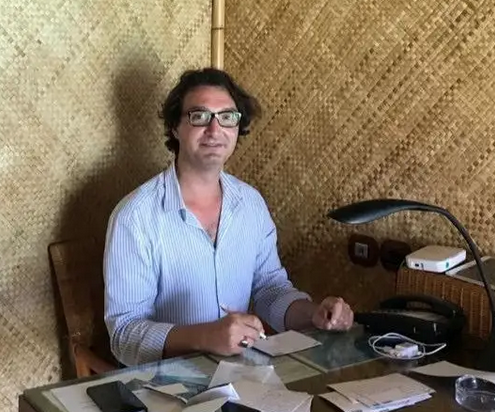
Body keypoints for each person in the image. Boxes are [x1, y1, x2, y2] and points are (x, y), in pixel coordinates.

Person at [104, 67, 354, 366]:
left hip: (242, 374)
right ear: (175, 127)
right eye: (199, 116)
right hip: (164, 383)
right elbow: (124, 334)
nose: (214, 129)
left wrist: (315, 314)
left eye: (227, 117)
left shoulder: (250, 204)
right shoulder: (135, 216)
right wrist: (205, 336)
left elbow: (270, 289)